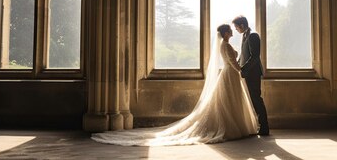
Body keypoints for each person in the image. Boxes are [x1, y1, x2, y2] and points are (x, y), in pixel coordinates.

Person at [91, 24, 258, 146]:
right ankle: (234, 128)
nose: (232, 31)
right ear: (225, 33)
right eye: (230, 30)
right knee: (228, 102)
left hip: (230, 75)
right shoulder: (226, 46)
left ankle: (236, 126)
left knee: (228, 102)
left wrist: (239, 69)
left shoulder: (224, 45)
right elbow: (232, 63)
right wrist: (241, 70)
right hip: (231, 74)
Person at [233, 15, 269, 136]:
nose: (236, 30)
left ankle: (264, 127)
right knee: (254, 99)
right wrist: (236, 64)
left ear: (242, 25)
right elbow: (244, 54)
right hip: (248, 72)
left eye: (237, 27)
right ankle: (261, 125)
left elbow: (254, 57)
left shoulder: (253, 35)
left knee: (256, 99)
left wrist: (243, 69)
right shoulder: (245, 35)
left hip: (253, 73)